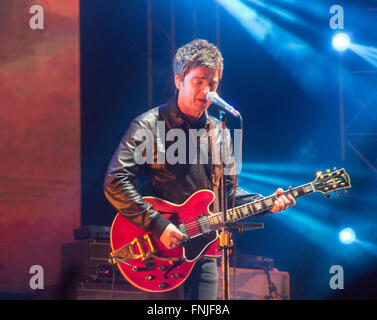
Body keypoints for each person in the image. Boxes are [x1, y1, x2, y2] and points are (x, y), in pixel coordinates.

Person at [103, 39, 295, 300]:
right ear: (178, 81)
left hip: (205, 251)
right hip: (160, 251)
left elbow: (226, 196)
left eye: (213, 84)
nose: (207, 91)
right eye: (199, 81)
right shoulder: (148, 125)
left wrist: (267, 203)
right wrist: (157, 224)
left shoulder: (221, 131)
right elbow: (115, 180)